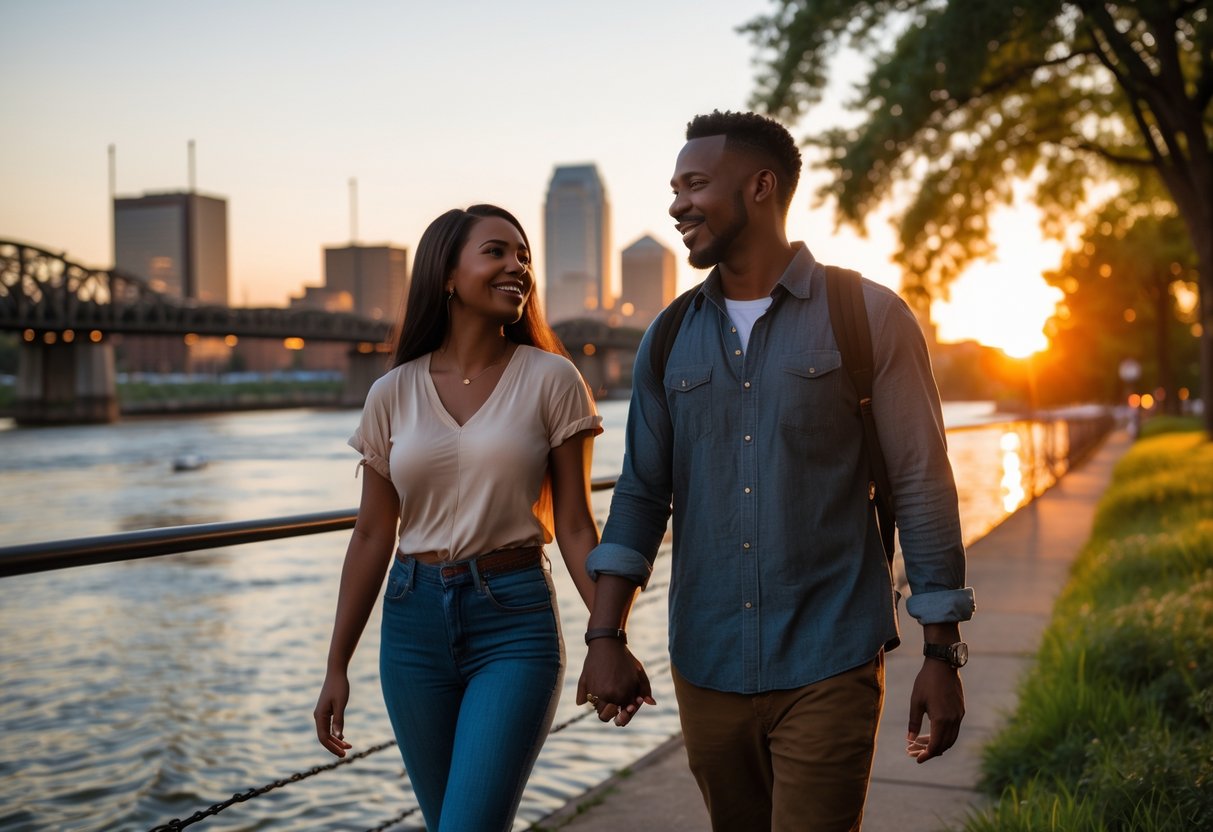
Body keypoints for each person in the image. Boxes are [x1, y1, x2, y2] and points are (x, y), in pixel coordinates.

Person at [577, 111, 976, 831]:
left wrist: (941, 652)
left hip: (829, 658)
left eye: (694, 185)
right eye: (673, 188)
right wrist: (604, 637)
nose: (676, 205)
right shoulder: (667, 338)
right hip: (705, 665)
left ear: (760, 187)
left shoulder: (868, 317)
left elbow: (920, 485)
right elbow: (641, 492)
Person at [313, 204, 613, 832]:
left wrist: (607, 635)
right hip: (410, 625)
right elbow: (372, 533)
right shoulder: (391, 392)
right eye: (497, 252)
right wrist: (336, 665)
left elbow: (578, 526)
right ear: (447, 275)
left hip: (513, 622)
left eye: (523, 255)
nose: (517, 267)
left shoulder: (553, 379)